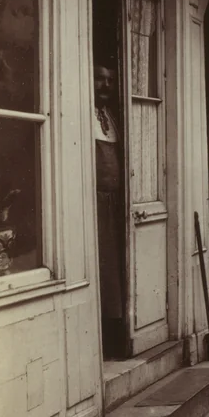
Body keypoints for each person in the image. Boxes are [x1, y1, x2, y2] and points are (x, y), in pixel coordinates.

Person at [94, 64, 126, 356]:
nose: (105, 85)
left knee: (117, 270)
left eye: (109, 80)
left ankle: (117, 333)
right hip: (96, 205)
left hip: (116, 205)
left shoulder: (112, 117)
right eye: (99, 79)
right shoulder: (85, 116)